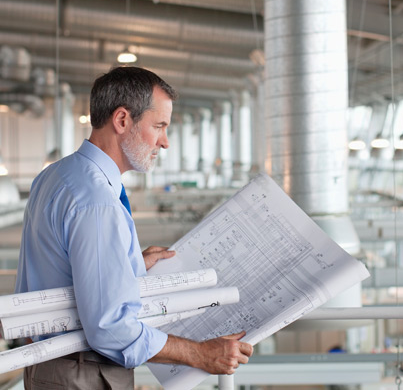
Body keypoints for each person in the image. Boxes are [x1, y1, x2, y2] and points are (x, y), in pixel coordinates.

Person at [15, 66, 252, 389]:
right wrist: (198, 353)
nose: (164, 142)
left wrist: (128, 266)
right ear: (123, 120)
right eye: (159, 126)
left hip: (51, 368)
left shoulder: (56, 175)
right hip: (83, 374)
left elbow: (61, 267)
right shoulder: (97, 202)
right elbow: (110, 328)